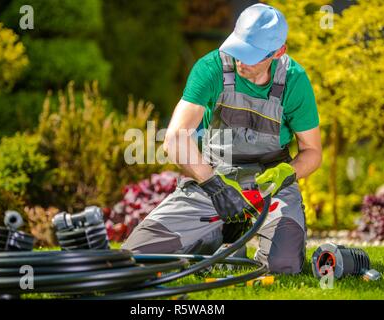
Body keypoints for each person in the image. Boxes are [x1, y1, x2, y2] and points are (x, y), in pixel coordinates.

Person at [122, 3, 322, 274]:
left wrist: (287, 173)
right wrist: (215, 186)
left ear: (278, 53)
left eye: (251, 56)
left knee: (283, 265)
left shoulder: (295, 81)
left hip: (269, 184)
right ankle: (221, 237)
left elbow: (312, 151)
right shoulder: (211, 68)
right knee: (135, 256)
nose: (241, 60)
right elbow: (175, 137)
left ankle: (239, 239)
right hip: (213, 176)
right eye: (238, 49)